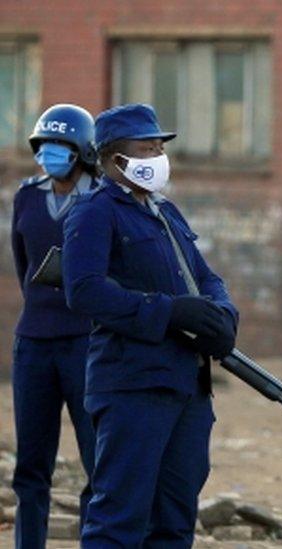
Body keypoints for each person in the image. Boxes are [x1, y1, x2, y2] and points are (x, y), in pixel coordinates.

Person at [61, 103, 238, 547]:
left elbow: (206, 276)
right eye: (147, 147)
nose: (158, 155)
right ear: (116, 158)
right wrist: (168, 311)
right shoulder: (95, 212)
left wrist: (222, 315)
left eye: (160, 146)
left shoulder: (165, 212)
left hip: (187, 386)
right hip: (132, 387)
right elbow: (83, 291)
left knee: (174, 522)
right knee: (119, 520)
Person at [11, 104, 99, 548]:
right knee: (31, 465)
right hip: (33, 343)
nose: (48, 155)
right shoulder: (26, 196)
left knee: (96, 458)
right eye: (43, 147)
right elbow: (23, 264)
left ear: (81, 151)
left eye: (59, 147)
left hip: (86, 343)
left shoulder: (102, 200)